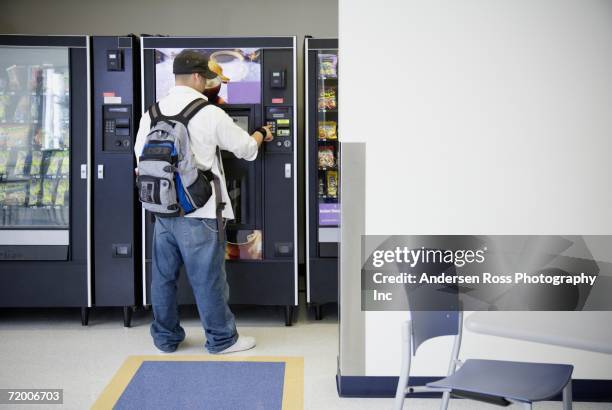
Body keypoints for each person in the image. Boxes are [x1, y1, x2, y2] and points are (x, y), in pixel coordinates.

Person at [134, 50, 273, 354]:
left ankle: (166, 339)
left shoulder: (152, 113)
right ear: (197, 77)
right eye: (207, 79)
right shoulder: (209, 113)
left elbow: (140, 158)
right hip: (201, 210)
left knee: (163, 279)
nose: (209, 85)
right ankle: (222, 340)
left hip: (163, 211)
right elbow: (247, 150)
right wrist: (262, 133)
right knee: (208, 279)